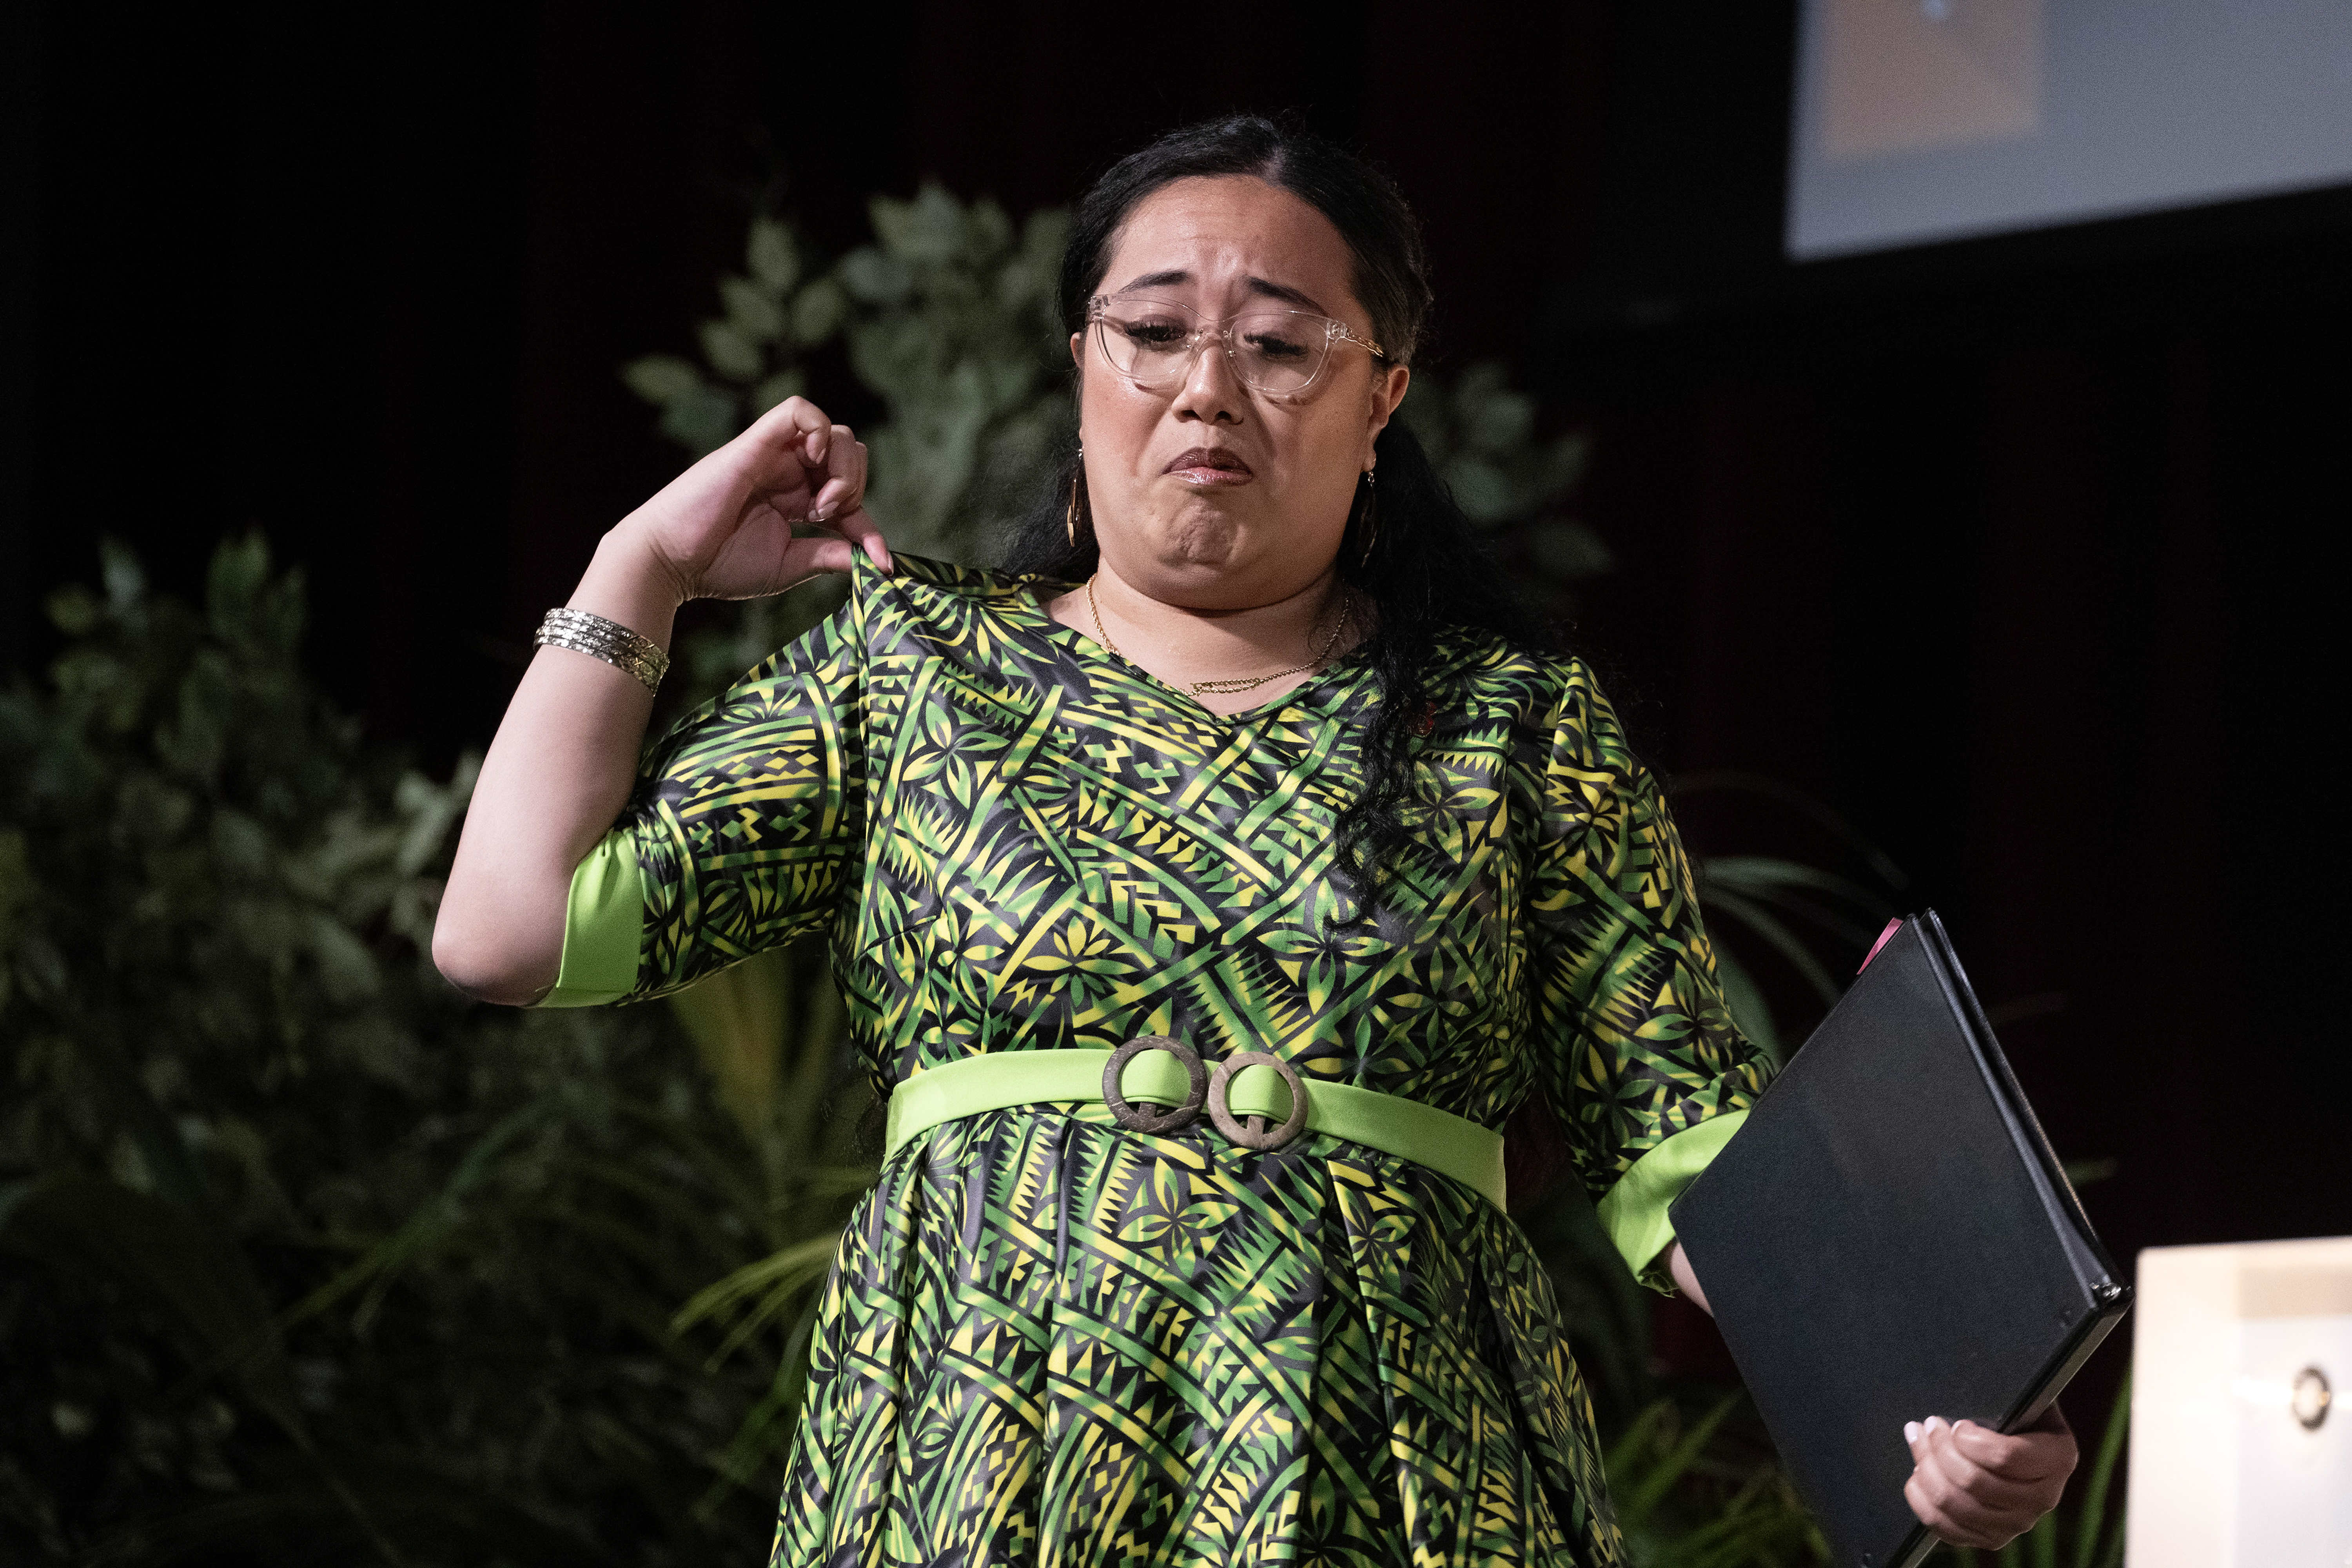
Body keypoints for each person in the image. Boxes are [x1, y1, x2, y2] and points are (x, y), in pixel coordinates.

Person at [435, 115, 2077, 1566]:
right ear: (1082, 367)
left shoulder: (1512, 722)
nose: (1208, 387)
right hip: (972, 1454)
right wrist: (641, 567)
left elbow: (1688, 1148)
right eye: (1152, 333)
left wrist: (1956, 1384)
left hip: (1413, 1466)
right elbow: (509, 930)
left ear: (1383, 398)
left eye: (1283, 346)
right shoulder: (913, 664)